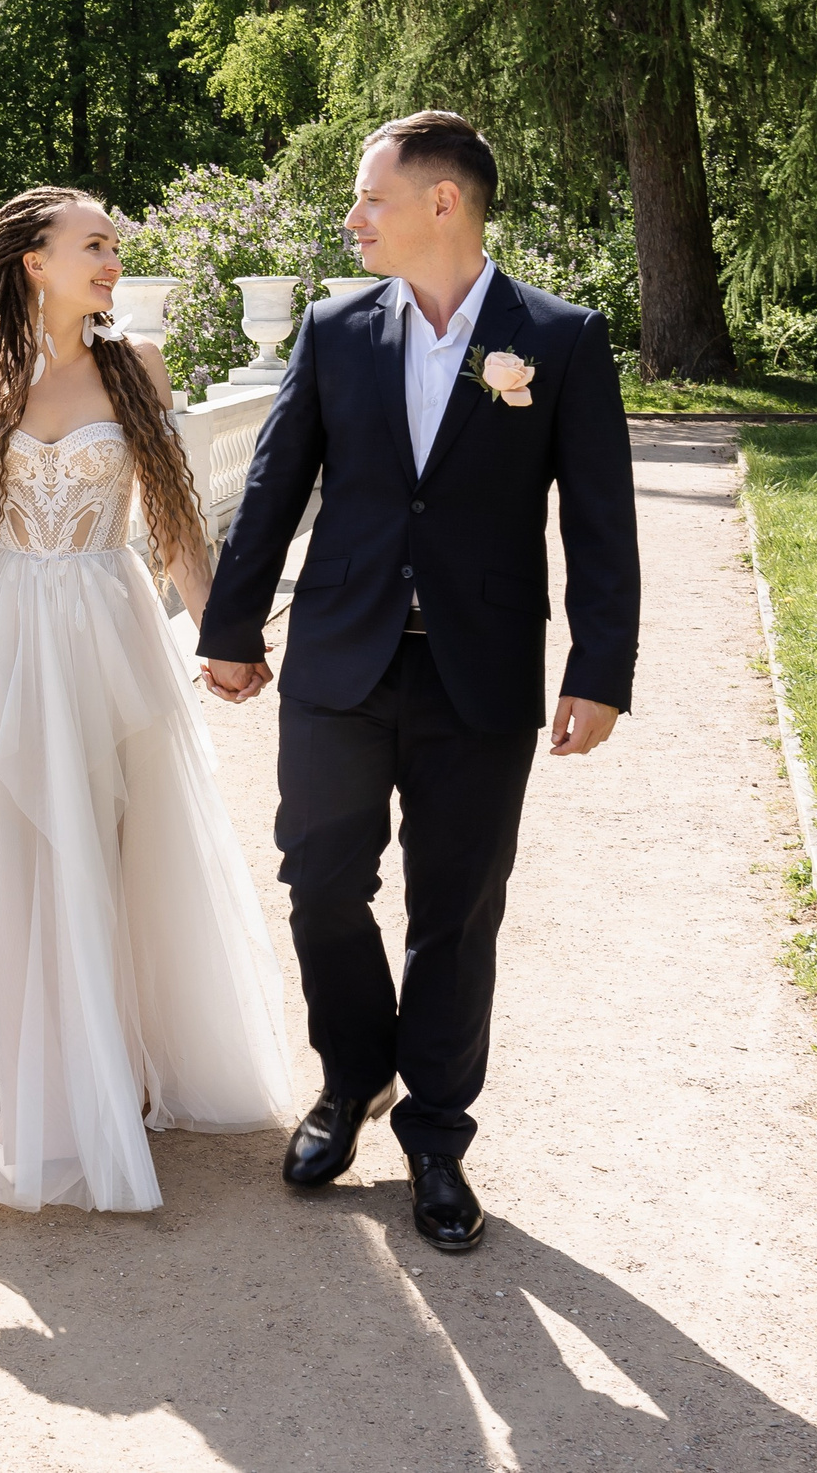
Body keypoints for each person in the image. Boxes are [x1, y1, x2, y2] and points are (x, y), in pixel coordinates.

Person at [198, 111, 641, 1254]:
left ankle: (437, 1139)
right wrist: (231, 626)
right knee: (322, 883)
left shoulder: (562, 339)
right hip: (340, 659)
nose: (352, 221)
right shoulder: (336, 330)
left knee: (457, 909)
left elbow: (599, 524)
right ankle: (351, 1086)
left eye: (369, 200)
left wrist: (600, 670)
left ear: (443, 202)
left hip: (479, 673)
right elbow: (271, 487)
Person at [0, 185, 298, 1214]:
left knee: (112, 847)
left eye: (112, 245)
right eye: (94, 244)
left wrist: (221, 631)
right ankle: (16, 1093)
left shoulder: (133, 366)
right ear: (34, 262)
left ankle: (116, 1077)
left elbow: (174, 520)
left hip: (109, 627)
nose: (111, 261)